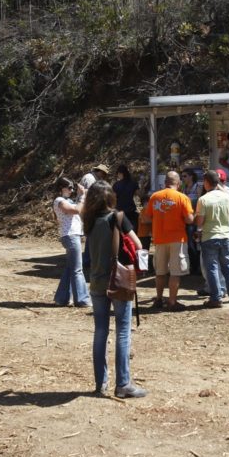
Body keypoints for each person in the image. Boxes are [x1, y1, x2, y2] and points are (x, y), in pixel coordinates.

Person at [82, 181, 146, 398]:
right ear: (111, 198)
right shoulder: (117, 218)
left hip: (97, 282)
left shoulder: (89, 221)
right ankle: (123, 384)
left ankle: (101, 383)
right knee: (123, 332)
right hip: (118, 280)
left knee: (100, 332)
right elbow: (137, 244)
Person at [140, 171, 194, 311]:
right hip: (177, 238)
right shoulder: (182, 198)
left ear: (165, 183)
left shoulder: (155, 197)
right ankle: (172, 301)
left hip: (159, 238)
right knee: (175, 272)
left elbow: (145, 218)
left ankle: (158, 299)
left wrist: (159, 219)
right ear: (178, 183)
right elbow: (189, 220)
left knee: (160, 271)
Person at [195, 169, 229, 308]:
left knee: (212, 268)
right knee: (228, 265)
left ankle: (216, 297)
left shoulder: (203, 199)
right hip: (226, 235)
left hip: (210, 236)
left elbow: (200, 222)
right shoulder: (228, 197)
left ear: (206, 183)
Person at [52, 177, 90, 308]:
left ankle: (61, 298)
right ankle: (82, 299)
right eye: (69, 187)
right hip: (70, 235)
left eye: (72, 188)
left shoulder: (67, 200)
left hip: (72, 234)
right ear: (62, 188)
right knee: (77, 269)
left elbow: (79, 208)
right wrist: (82, 197)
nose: (72, 190)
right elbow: (76, 210)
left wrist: (81, 195)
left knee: (70, 268)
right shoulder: (59, 200)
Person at [112, 165, 140, 229]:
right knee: (132, 230)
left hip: (119, 211)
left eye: (118, 174)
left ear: (120, 173)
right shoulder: (133, 183)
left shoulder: (116, 185)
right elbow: (139, 194)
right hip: (131, 210)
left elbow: (113, 198)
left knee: (121, 231)